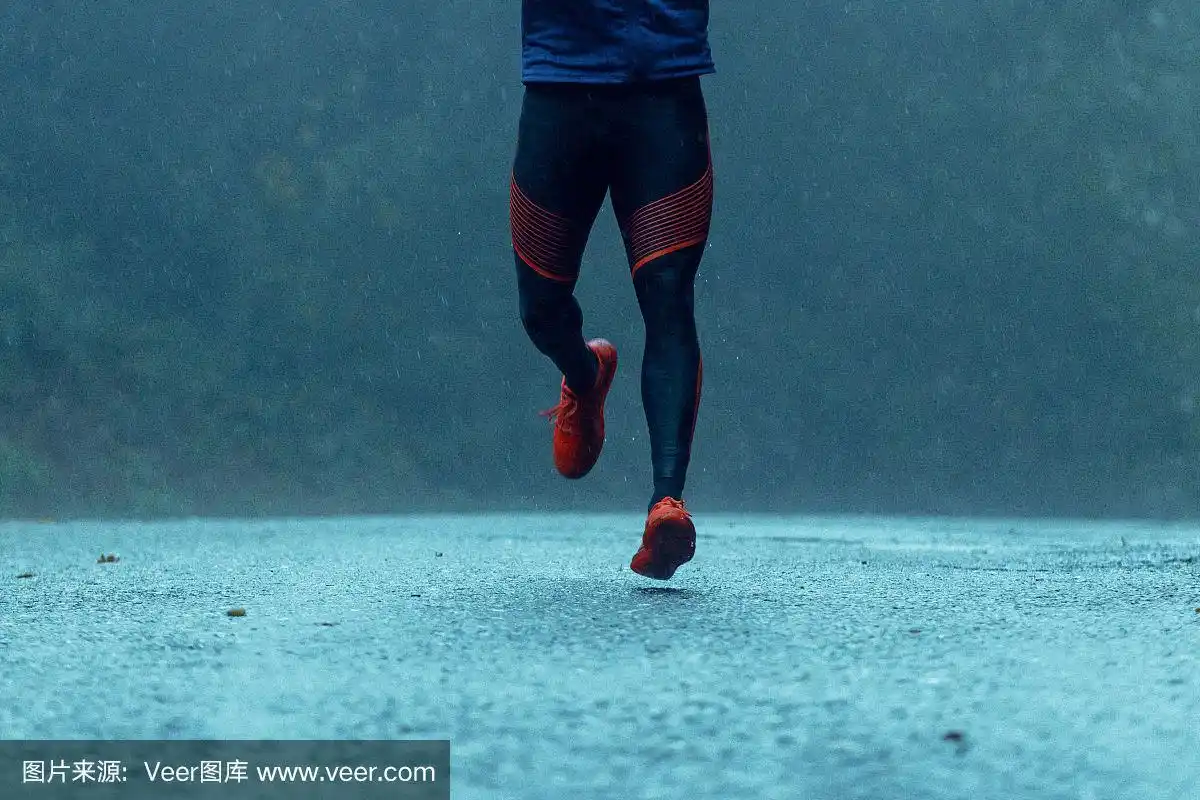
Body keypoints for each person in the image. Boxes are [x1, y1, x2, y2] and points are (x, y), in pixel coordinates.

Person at [509, 1, 715, 580]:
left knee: (669, 299)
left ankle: (666, 502)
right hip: (559, 84)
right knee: (540, 311)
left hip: (665, 86)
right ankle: (585, 374)